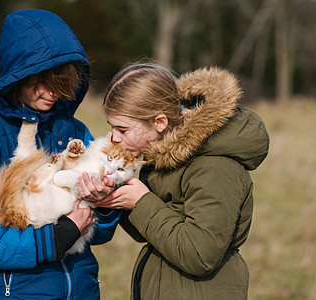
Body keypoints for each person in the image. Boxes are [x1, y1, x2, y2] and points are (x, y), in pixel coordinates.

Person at [0, 9, 118, 299]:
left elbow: (99, 232)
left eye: (62, 82)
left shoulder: (73, 129)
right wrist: (56, 237)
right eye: (40, 80)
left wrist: (105, 204)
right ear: (17, 75)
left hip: (81, 290)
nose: (51, 92)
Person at [86, 63, 270, 299]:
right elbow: (151, 231)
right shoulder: (164, 156)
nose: (113, 138)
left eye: (122, 129)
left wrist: (141, 202)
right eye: (111, 127)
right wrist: (113, 197)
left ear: (160, 123)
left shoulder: (214, 166)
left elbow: (200, 255)